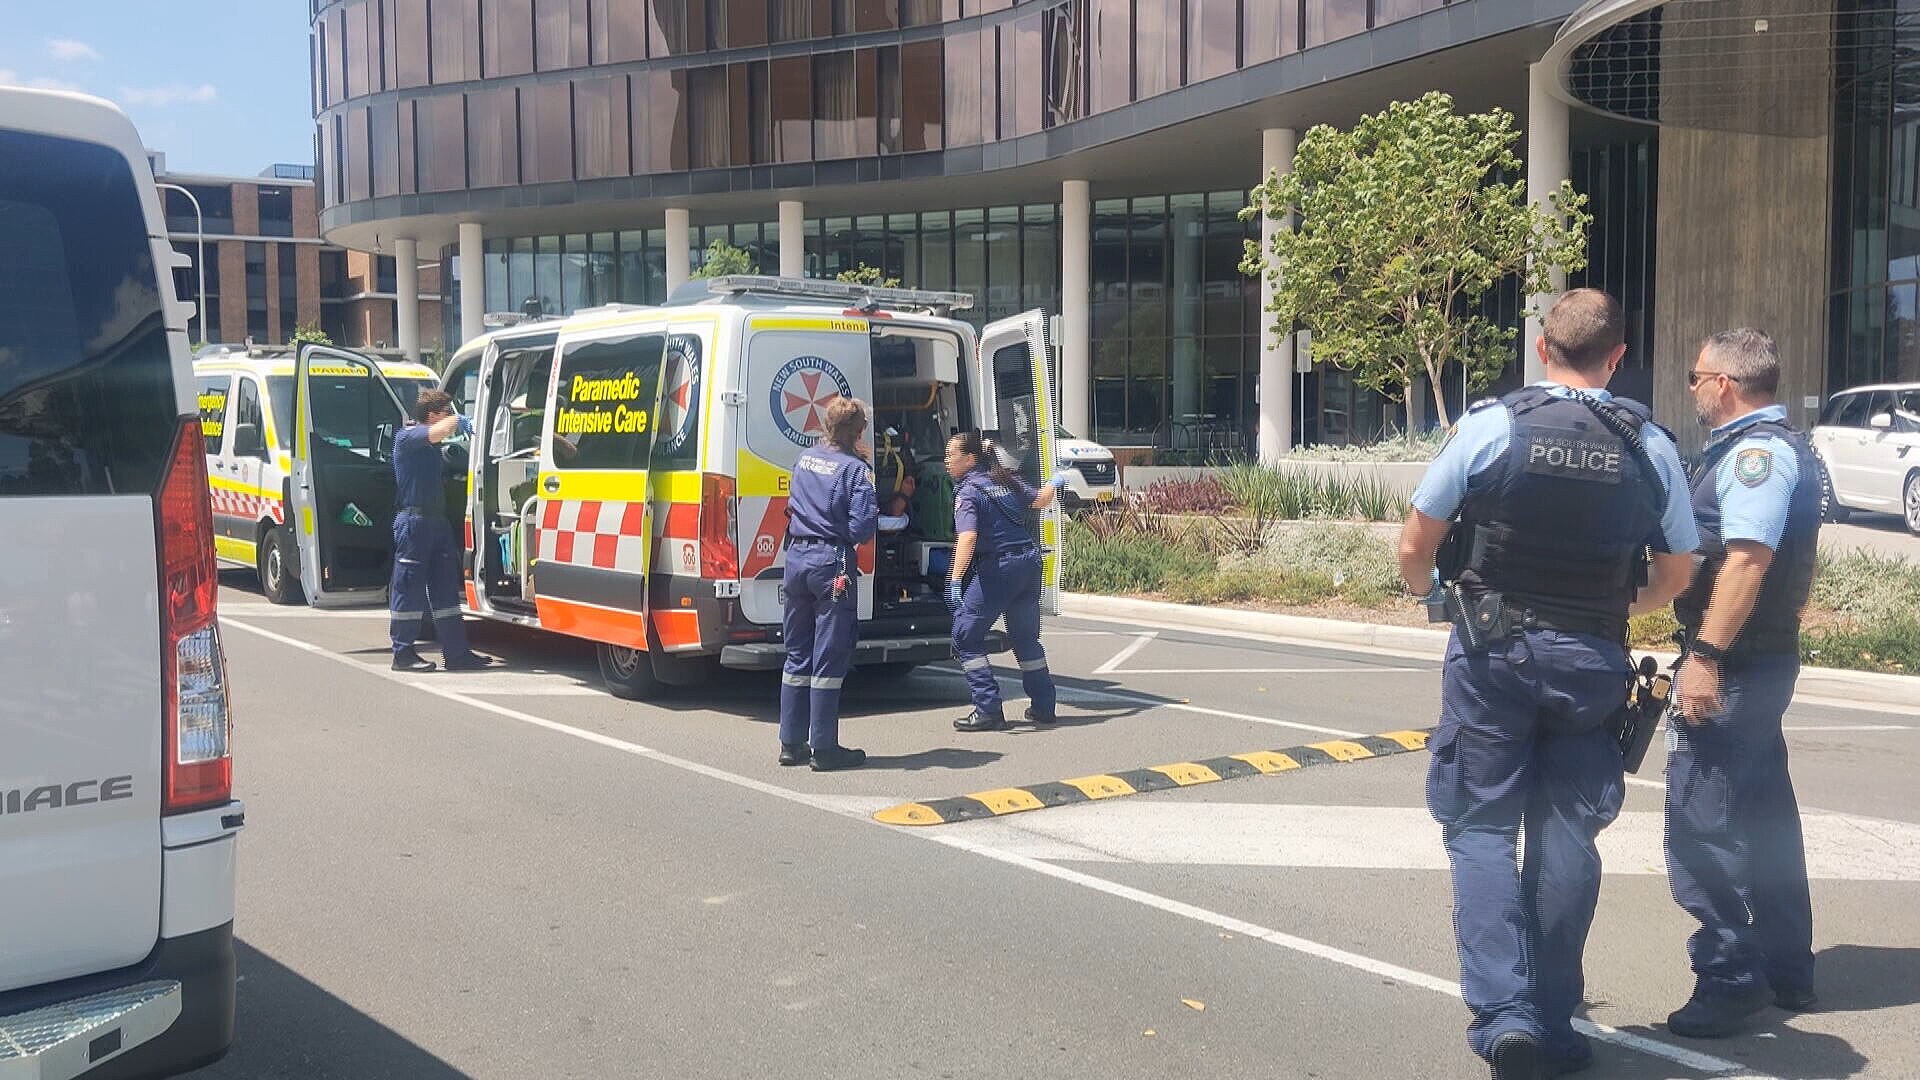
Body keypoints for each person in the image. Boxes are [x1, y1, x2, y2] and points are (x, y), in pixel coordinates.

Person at [1397, 289, 1699, 1079]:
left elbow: (1414, 541)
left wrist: (1431, 594)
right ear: (1619, 355)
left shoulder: (1494, 425)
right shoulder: (1650, 445)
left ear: (1541, 349)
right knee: (1567, 838)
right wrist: (1610, 604)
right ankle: (1557, 1022)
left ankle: (1506, 1017)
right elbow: (1676, 572)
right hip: (1592, 658)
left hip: (1493, 654)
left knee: (1480, 828)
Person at [1663, 328, 1822, 1038]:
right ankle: (1788, 970)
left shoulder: (1754, 455)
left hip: (1737, 666)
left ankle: (1730, 982)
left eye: (1697, 376)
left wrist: (1704, 656)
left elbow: (1748, 561)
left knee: (1703, 823)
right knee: (1765, 820)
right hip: (1761, 660)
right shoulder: (1781, 447)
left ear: (1724, 384)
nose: (1692, 386)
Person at [944, 431, 1071, 732]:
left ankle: (988, 709)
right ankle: (1043, 706)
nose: (946, 461)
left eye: (951, 455)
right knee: (1025, 639)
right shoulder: (1004, 479)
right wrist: (1056, 481)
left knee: (965, 635)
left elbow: (968, 537)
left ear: (970, 459)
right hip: (1028, 564)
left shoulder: (968, 492)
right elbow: (1040, 500)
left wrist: (955, 579)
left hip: (999, 570)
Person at [779, 396, 879, 772]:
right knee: (829, 653)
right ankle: (823, 747)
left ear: (825, 425)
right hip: (831, 560)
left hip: (797, 559)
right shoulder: (857, 471)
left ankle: (791, 742)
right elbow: (862, 528)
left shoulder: (805, 459)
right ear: (859, 432)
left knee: (797, 653)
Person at [390, 389, 497, 673]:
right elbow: (439, 432)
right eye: (446, 411)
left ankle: (457, 653)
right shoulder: (408, 437)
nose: (451, 416)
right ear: (433, 414)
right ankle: (402, 654)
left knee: (446, 592)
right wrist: (458, 420)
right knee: (409, 590)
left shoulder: (434, 446)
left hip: (436, 523)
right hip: (413, 524)